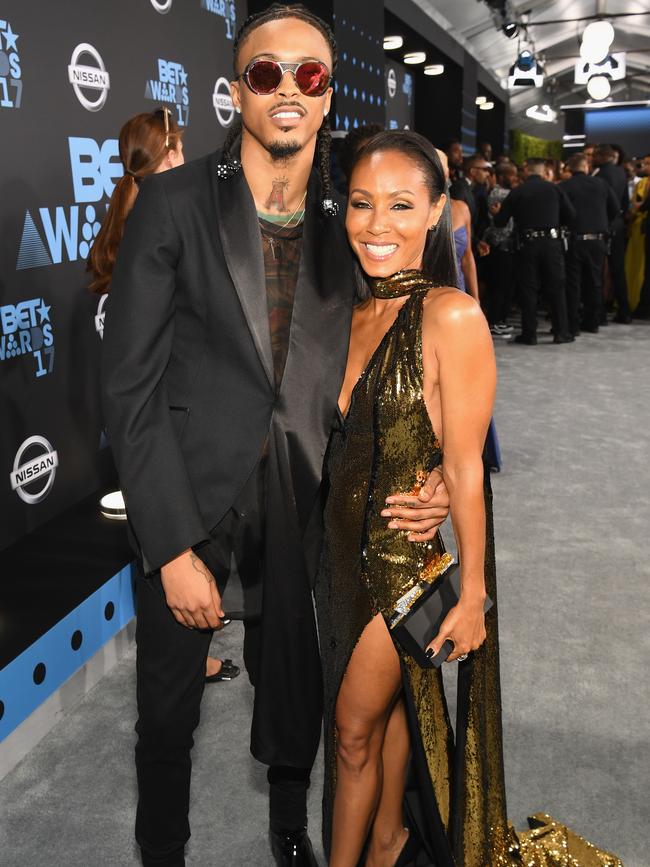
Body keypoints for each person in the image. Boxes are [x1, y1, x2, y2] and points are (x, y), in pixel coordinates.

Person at [101, 6, 449, 866]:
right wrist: (172, 542)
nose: (288, 89)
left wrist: (434, 463)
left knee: (301, 688)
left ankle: (290, 831)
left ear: (329, 97)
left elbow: (419, 346)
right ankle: (164, 850)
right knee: (169, 709)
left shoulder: (354, 216)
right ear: (235, 91)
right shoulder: (174, 203)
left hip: (312, 490)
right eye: (266, 73)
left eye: (310, 74)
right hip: (192, 489)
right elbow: (129, 386)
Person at [315, 130, 622, 867]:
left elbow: (466, 466)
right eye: (361, 203)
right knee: (384, 721)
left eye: (399, 204)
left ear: (436, 212)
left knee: (351, 733)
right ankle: (389, 840)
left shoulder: (450, 316)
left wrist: (474, 593)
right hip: (332, 559)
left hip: (399, 565)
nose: (377, 223)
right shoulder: (346, 313)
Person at [87, 108, 239, 686]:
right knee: (167, 564)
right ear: (163, 155)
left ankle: (190, 651)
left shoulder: (142, 214)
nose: (185, 159)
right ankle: (184, 654)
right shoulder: (158, 221)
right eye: (176, 148)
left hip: (170, 429)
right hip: (164, 432)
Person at [493, 156, 576, 345]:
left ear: (527, 170)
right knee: (556, 287)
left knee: (528, 289)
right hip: (552, 243)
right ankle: (561, 332)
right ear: (542, 171)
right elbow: (571, 215)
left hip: (527, 244)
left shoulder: (518, 191)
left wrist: (497, 212)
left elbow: (500, 222)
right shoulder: (555, 189)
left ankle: (529, 334)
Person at [559, 152, 619, 334]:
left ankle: (573, 325)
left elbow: (561, 212)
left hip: (574, 240)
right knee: (595, 281)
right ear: (586, 167)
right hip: (598, 240)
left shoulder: (564, 186)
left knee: (573, 283)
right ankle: (592, 322)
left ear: (570, 168)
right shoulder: (601, 184)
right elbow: (615, 209)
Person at [592, 144, 631, 323]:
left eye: (594, 156)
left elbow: (604, 204)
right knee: (618, 270)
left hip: (603, 226)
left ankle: (599, 315)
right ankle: (624, 311)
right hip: (619, 224)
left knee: (598, 271)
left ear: (601, 156)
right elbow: (624, 204)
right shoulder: (621, 173)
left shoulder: (600, 176)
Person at [484, 162, 517, 338]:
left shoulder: (507, 193)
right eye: (512, 175)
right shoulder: (500, 194)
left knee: (504, 286)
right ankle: (494, 321)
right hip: (500, 245)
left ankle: (500, 320)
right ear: (503, 176)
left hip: (505, 245)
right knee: (499, 286)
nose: (515, 179)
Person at [628, 154, 650, 318]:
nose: (645, 167)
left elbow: (640, 206)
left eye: (648, 164)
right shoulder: (643, 182)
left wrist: (639, 207)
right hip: (640, 229)